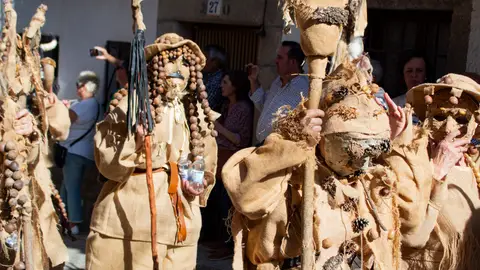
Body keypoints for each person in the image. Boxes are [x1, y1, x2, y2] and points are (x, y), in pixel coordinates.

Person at [222, 61, 404, 269]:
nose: (359, 161)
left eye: (369, 149)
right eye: (350, 149)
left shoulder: (364, 180)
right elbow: (246, 195)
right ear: (324, 138)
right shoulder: (292, 173)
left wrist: (394, 141)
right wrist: (297, 142)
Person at [85, 33, 218, 269]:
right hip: (134, 218)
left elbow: (204, 157)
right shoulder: (131, 104)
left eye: (186, 63)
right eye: (171, 60)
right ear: (154, 65)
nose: (178, 68)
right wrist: (135, 142)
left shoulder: (195, 112)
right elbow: (108, 164)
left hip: (181, 223)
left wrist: (198, 179)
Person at [381, 74, 480, 269]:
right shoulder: (410, 161)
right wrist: (437, 171)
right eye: (440, 116)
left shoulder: (473, 164)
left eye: (460, 119)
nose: (449, 127)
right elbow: (411, 237)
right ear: (426, 117)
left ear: (476, 125)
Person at [205, 70, 254, 260]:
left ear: (235, 86)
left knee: (227, 205)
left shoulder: (243, 108)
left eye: (226, 82)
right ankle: (217, 240)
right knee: (215, 202)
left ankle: (229, 246)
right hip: (219, 160)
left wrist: (218, 128)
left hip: (231, 162)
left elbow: (239, 139)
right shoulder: (227, 106)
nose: (221, 86)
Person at [60, 71, 100, 235]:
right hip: (84, 152)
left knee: (72, 188)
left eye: (79, 85)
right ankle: (63, 218)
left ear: (85, 86)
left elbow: (67, 118)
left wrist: (62, 108)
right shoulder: (94, 104)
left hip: (75, 152)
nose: (77, 88)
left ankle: (74, 223)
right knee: (66, 187)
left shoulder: (86, 104)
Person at [248, 41, 309, 144]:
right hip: (262, 144)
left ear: (292, 62)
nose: (276, 61)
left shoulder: (304, 88)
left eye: (280, 58)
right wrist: (253, 81)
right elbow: (263, 104)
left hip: (280, 148)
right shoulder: (277, 82)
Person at [203, 44, 227, 112]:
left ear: (215, 62)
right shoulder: (206, 74)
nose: (201, 61)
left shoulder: (219, 80)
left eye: (205, 58)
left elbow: (208, 105)